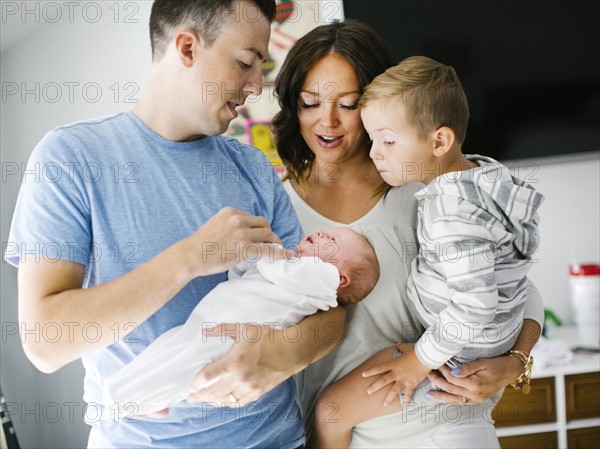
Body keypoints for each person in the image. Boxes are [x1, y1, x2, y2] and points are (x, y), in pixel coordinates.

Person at [4, 1, 347, 448]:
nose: (254, 85)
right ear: (186, 47)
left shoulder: (252, 167)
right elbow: (46, 341)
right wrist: (192, 257)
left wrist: (281, 354)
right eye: (245, 63)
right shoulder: (71, 160)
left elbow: (329, 308)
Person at [271, 20, 544, 448]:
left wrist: (515, 363)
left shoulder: (428, 191)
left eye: (348, 104)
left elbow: (516, 290)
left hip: (445, 427)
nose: (328, 121)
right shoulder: (275, 208)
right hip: (334, 433)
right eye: (309, 103)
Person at [104, 228, 379, 416]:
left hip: (231, 339)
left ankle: (120, 401)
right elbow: (245, 275)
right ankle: (150, 399)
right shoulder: (297, 272)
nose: (320, 232)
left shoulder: (321, 279)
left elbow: (276, 268)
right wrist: (250, 258)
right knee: (167, 349)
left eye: (331, 241)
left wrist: (267, 250)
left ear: (341, 278)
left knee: (184, 364)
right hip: (209, 324)